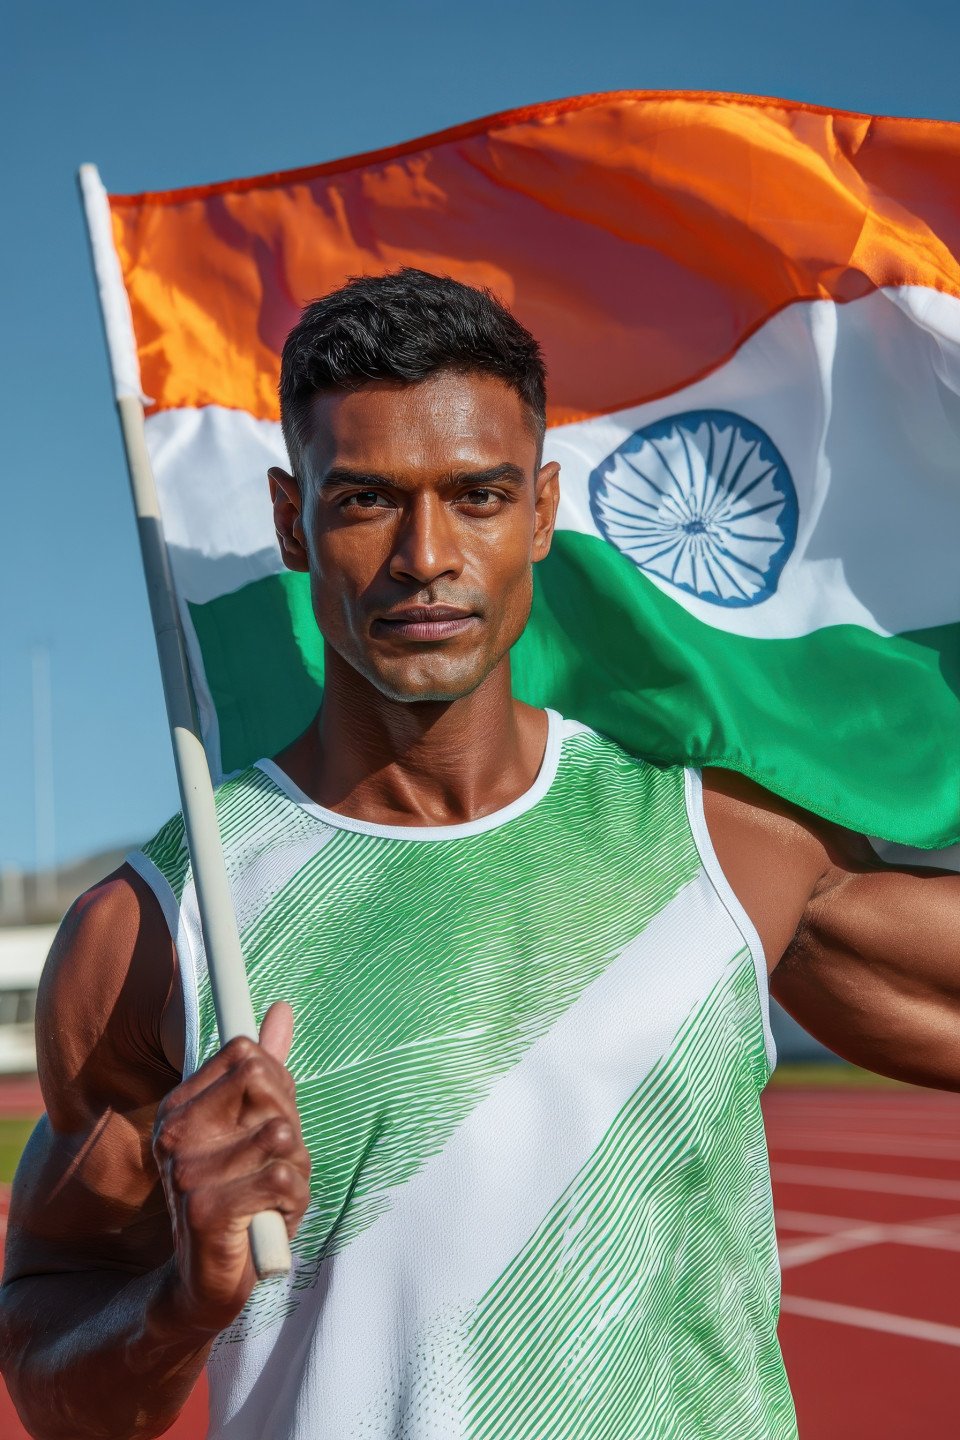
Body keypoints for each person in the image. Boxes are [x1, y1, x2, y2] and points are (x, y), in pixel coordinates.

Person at [0, 269, 956, 1440]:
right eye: (364, 502)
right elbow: (59, 1388)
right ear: (292, 522)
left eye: (478, 495)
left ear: (543, 512)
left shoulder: (720, 838)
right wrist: (182, 1297)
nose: (425, 553)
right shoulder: (154, 931)